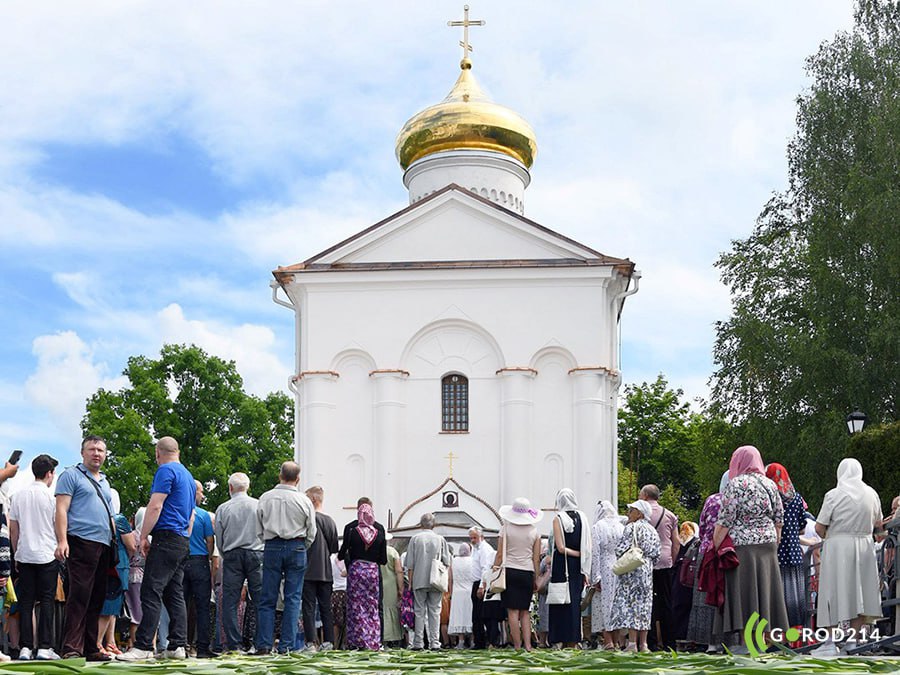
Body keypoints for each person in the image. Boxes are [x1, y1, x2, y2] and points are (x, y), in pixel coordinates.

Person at [118, 437, 196, 662]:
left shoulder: (165, 471)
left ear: (157, 453)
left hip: (166, 537)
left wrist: (143, 536)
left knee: (150, 591)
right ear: (178, 451)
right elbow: (190, 516)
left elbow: (155, 505)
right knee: (175, 593)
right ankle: (177, 645)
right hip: (182, 540)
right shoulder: (189, 478)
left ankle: (142, 646)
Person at [713, 446, 788, 650]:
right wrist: (775, 542)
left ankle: (747, 643)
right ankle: (762, 642)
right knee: (765, 593)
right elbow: (779, 519)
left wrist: (715, 545)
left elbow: (725, 520)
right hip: (768, 544)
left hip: (743, 546)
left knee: (745, 594)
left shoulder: (735, 484)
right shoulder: (770, 484)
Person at [812, 458, 883, 655]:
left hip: (838, 546)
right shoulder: (872, 494)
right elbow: (879, 525)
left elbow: (819, 527)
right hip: (864, 545)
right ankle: (853, 641)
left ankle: (829, 642)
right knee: (859, 593)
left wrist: (831, 535)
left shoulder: (834, 494)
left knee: (831, 592)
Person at [54, 435, 117, 661]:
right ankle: (72, 647)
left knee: (97, 597)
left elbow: (111, 515)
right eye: (92, 449)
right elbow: (61, 509)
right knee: (79, 595)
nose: (96, 453)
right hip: (80, 541)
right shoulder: (71, 475)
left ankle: (92, 647)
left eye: (100, 450)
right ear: (83, 453)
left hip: (103, 544)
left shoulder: (105, 482)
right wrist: (62, 540)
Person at [255, 461, 317, 655]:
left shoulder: (265, 498)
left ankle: (264, 644)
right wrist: (301, 546)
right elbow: (311, 531)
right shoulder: (304, 500)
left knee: (267, 598)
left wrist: (267, 541)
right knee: (293, 598)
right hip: (296, 546)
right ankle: (286, 646)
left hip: (272, 546)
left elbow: (258, 529)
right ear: (298, 479)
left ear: (279, 475)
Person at [9, 454, 59, 660]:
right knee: (47, 600)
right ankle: (45, 647)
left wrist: (17, 553)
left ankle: (25, 647)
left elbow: (14, 529)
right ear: (49, 473)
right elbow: (58, 526)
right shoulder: (52, 498)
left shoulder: (19, 495)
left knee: (26, 601)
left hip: (25, 553)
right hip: (48, 552)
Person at [213, 472, 263, 653]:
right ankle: (260, 642)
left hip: (232, 554)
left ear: (230, 487)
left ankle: (234, 644)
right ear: (247, 487)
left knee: (230, 602)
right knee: (259, 600)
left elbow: (219, 536)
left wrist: (225, 553)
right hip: (256, 552)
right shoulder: (258, 505)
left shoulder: (223, 508)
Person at [609, 500, 661, 652]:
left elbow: (621, 549)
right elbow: (657, 553)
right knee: (644, 605)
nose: (628, 514)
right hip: (646, 571)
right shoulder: (652, 529)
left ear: (639, 513)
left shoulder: (631, 527)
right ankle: (643, 644)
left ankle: (632, 643)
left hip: (632, 570)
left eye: (631, 510)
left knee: (631, 604)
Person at [686, 471, 728, 651]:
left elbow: (702, 527)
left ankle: (706, 641)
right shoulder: (734, 500)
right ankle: (723, 640)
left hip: (706, 552)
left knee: (704, 598)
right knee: (723, 598)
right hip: (727, 553)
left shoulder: (711, 500)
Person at [338, 499, 388, 650]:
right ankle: (374, 640)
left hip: (356, 572)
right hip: (372, 572)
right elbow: (383, 559)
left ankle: (357, 640)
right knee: (372, 606)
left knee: (356, 606)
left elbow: (343, 553)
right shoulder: (379, 530)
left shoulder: (352, 530)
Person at [495, 497, 543, 651]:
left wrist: (494, 569)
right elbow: (536, 558)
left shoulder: (505, 528)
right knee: (525, 612)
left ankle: (517, 645)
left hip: (509, 571)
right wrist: (536, 577)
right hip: (527, 572)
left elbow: (500, 555)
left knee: (512, 612)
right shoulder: (535, 531)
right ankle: (528, 645)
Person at [765, 463, 808, 630]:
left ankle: (775, 634)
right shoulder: (796, 497)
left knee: (777, 595)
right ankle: (796, 635)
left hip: (775, 551)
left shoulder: (770, 496)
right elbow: (803, 527)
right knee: (795, 596)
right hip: (794, 552)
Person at [548, 488, 592, 648]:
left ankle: (561, 638)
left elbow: (560, 548)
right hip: (577, 567)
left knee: (561, 601)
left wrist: (575, 553)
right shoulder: (583, 518)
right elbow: (588, 544)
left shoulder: (558, 519)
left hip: (562, 565)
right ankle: (574, 638)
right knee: (574, 603)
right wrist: (582, 555)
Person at [639, 484, 679, 651]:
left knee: (649, 603)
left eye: (641, 495)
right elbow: (675, 542)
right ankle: (670, 642)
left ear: (646, 496)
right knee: (667, 603)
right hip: (665, 561)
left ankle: (651, 642)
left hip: (646, 562)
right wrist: (672, 561)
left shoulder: (641, 514)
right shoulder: (669, 515)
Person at [406, 512, 451, 650]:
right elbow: (447, 561)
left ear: (420, 524)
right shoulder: (440, 539)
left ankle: (418, 643)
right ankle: (434, 642)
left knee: (419, 612)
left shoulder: (415, 539)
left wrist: (411, 582)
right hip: (435, 580)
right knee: (435, 611)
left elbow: (410, 564)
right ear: (434, 525)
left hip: (419, 579)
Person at [98, 493, 136, 656]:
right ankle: (99, 642)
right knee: (111, 604)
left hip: (104, 562)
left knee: (111, 605)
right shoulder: (120, 520)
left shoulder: (100, 517)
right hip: (119, 563)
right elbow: (131, 545)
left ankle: (111, 642)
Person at [302, 485, 338, 652]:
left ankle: (310, 642)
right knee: (326, 608)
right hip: (325, 572)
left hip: (308, 570)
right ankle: (329, 642)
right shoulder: (330, 521)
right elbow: (333, 548)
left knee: (308, 608)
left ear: (313, 500)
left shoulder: (308, 519)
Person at [590, 500, 624, 649]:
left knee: (604, 604)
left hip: (604, 566)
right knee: (617, 604)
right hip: (619, 566)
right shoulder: (621, 527)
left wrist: (595, 576)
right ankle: (616, 641)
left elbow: (595, 553)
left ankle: (608, 640)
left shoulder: (598, 527)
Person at [468, 526, 498, 648]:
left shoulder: (485, 549)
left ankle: (482, 641)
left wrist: (481, 586)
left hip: (481, 583)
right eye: (471, 538)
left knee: (480, 615)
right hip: (475, 582)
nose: (473, 540)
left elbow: (485, 568)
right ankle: (479, 640)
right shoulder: (475, 549)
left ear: (481, 537)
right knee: (477, 615)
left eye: (475, 537)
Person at [125, 508, 147, 650]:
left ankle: (133, 643)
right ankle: (150, 644)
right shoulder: (149, 537)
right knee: (146, 611)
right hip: (146, 575)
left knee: (134, 612)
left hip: (131, 574)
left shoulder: (131, 535)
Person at [448, 543, 474, 648]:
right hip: (470, 591)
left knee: (459, 616)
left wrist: (450, 591)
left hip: (457, 592)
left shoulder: (454, 561)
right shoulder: (472, 561)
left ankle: (461, 641)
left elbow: (450, 579)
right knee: (470, 616)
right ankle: (473, 641)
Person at [382, 535, 405, 646]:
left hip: (379, 582)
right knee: (392, 608)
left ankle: (381, 636)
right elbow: (399, 571)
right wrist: (401, 589)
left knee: (381, 609)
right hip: (391, 583)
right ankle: (393, 637)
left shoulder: (375, 551)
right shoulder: (393, 552)